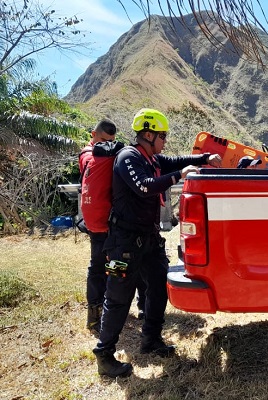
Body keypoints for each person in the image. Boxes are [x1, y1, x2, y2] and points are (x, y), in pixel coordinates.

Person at [93, 108, 222, 378]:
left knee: (158, 288)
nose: (164, 141)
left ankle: (151, 339)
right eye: (162, 136)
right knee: (117, 297)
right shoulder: (128, 157)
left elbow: (174, 160)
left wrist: (204, 158)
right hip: (122, 244)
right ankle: (104, 355)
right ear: (148, 134)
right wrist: (179, 176)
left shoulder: (151, 158)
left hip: (148, 241)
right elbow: (144, 186)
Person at [79, 119, 147, 337]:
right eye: (103, 141)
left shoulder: (99, 155)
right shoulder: (88, 154)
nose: (107, 145)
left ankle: (109, 308)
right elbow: (95, 157)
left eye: (112, 141)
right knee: (102, 266)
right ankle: (96, 314)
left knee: (111, 265)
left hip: (105, 220)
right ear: (93, 135)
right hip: (101, 223)